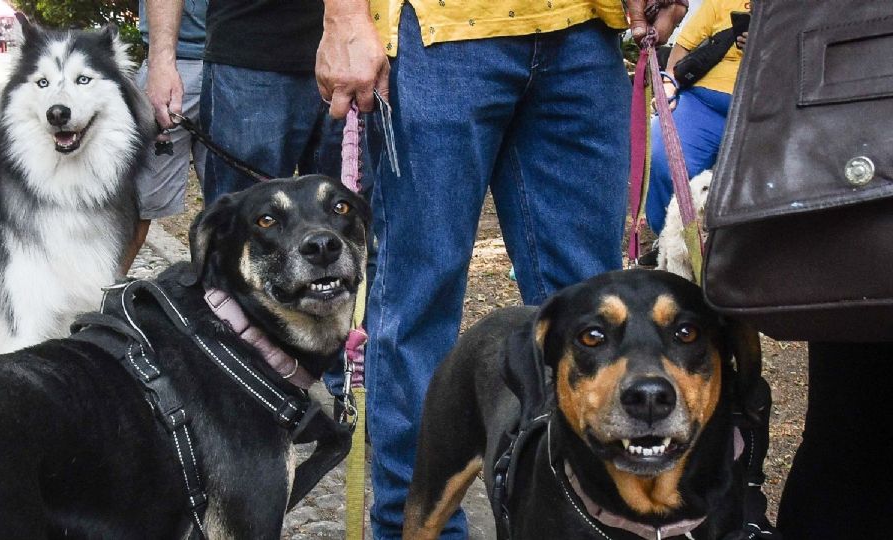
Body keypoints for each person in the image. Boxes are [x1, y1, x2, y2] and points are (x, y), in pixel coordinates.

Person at [316, 1, 687, 537]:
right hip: (438, 35)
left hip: (584, 29)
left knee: (595, 319)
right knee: (418, 303)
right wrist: (344, 16)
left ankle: (586, 523)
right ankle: (415, 527)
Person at [147, 0, 344, 207]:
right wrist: (161, 61)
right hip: (248, 60)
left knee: (347, 219)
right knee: (243, 218)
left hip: (350, 58)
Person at [640, 0, 749, 264]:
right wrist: (669, 85)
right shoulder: (721, 3)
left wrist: (768, 47)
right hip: (703, 101)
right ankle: (668, 239)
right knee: (663, 149)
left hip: (764, 107)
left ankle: (738, 251)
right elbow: (683, 47)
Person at [121, 0, 208, 274]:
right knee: (134, 207)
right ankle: (98, 299)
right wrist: (161, 62)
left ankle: (218, 301)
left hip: (244, 63)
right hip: (173, 63)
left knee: (235, 203)